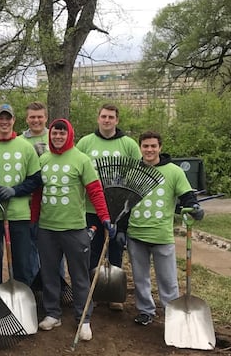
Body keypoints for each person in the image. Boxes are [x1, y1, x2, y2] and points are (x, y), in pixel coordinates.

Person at [36, 118, 115, 341]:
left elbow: (95, 191)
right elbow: (36, 195)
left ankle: (84, 318)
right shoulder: (43, 159)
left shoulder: (81, 159)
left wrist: (105, 217)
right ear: (50, 135)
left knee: (79, 276)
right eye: (54, 133)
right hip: (47, 228)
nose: (58, 137)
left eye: (62, 133)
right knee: (49, 273)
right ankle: (53, 314)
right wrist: (34, 221)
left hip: (74, 229)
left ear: (69, 134)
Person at [124, 130, 203, 327]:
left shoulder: (174, 171)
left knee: (167, 280)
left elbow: (187, 196)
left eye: (153, 146)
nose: (149, 150)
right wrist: (119, 229)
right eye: (145, 146)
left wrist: (194, 207)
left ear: (160, 147)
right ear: (140, 148)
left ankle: (172, 313)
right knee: (140, 279)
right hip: (136, 234)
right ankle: (145, 311)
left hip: (161, 235)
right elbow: (124, 202)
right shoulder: (133, 171)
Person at [75, 103, 141, 311]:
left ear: (117, 120)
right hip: (91, 207)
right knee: (92, 249)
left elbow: (136, 174)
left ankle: (113, 294)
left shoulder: (128, 144)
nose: (107, 120)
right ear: (98, 118)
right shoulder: (86, 142)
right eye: (103, 116)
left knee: (115, 248)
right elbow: (75, 167)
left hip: (118, 209)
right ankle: (93, 290)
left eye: (111, 117)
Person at [0, 104, 42, 288]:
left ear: (14, 120)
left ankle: (22, 301)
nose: (4, 122)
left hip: (19, 215)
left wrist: (14, 190)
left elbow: (35, 179)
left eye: (8, 118)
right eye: (1, 118)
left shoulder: (25, 147)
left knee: (21, 263)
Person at [21, 101, 49, 282]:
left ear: (46, 118)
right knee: (29, 247)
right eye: (32, 117)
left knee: (52, 248)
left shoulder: (55, 136)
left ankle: (55, 285)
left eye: (40, 117)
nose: (36, 120)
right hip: (28, 202)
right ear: (26, 119)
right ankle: (32, 286)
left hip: (51, 203)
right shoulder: (20, 141)